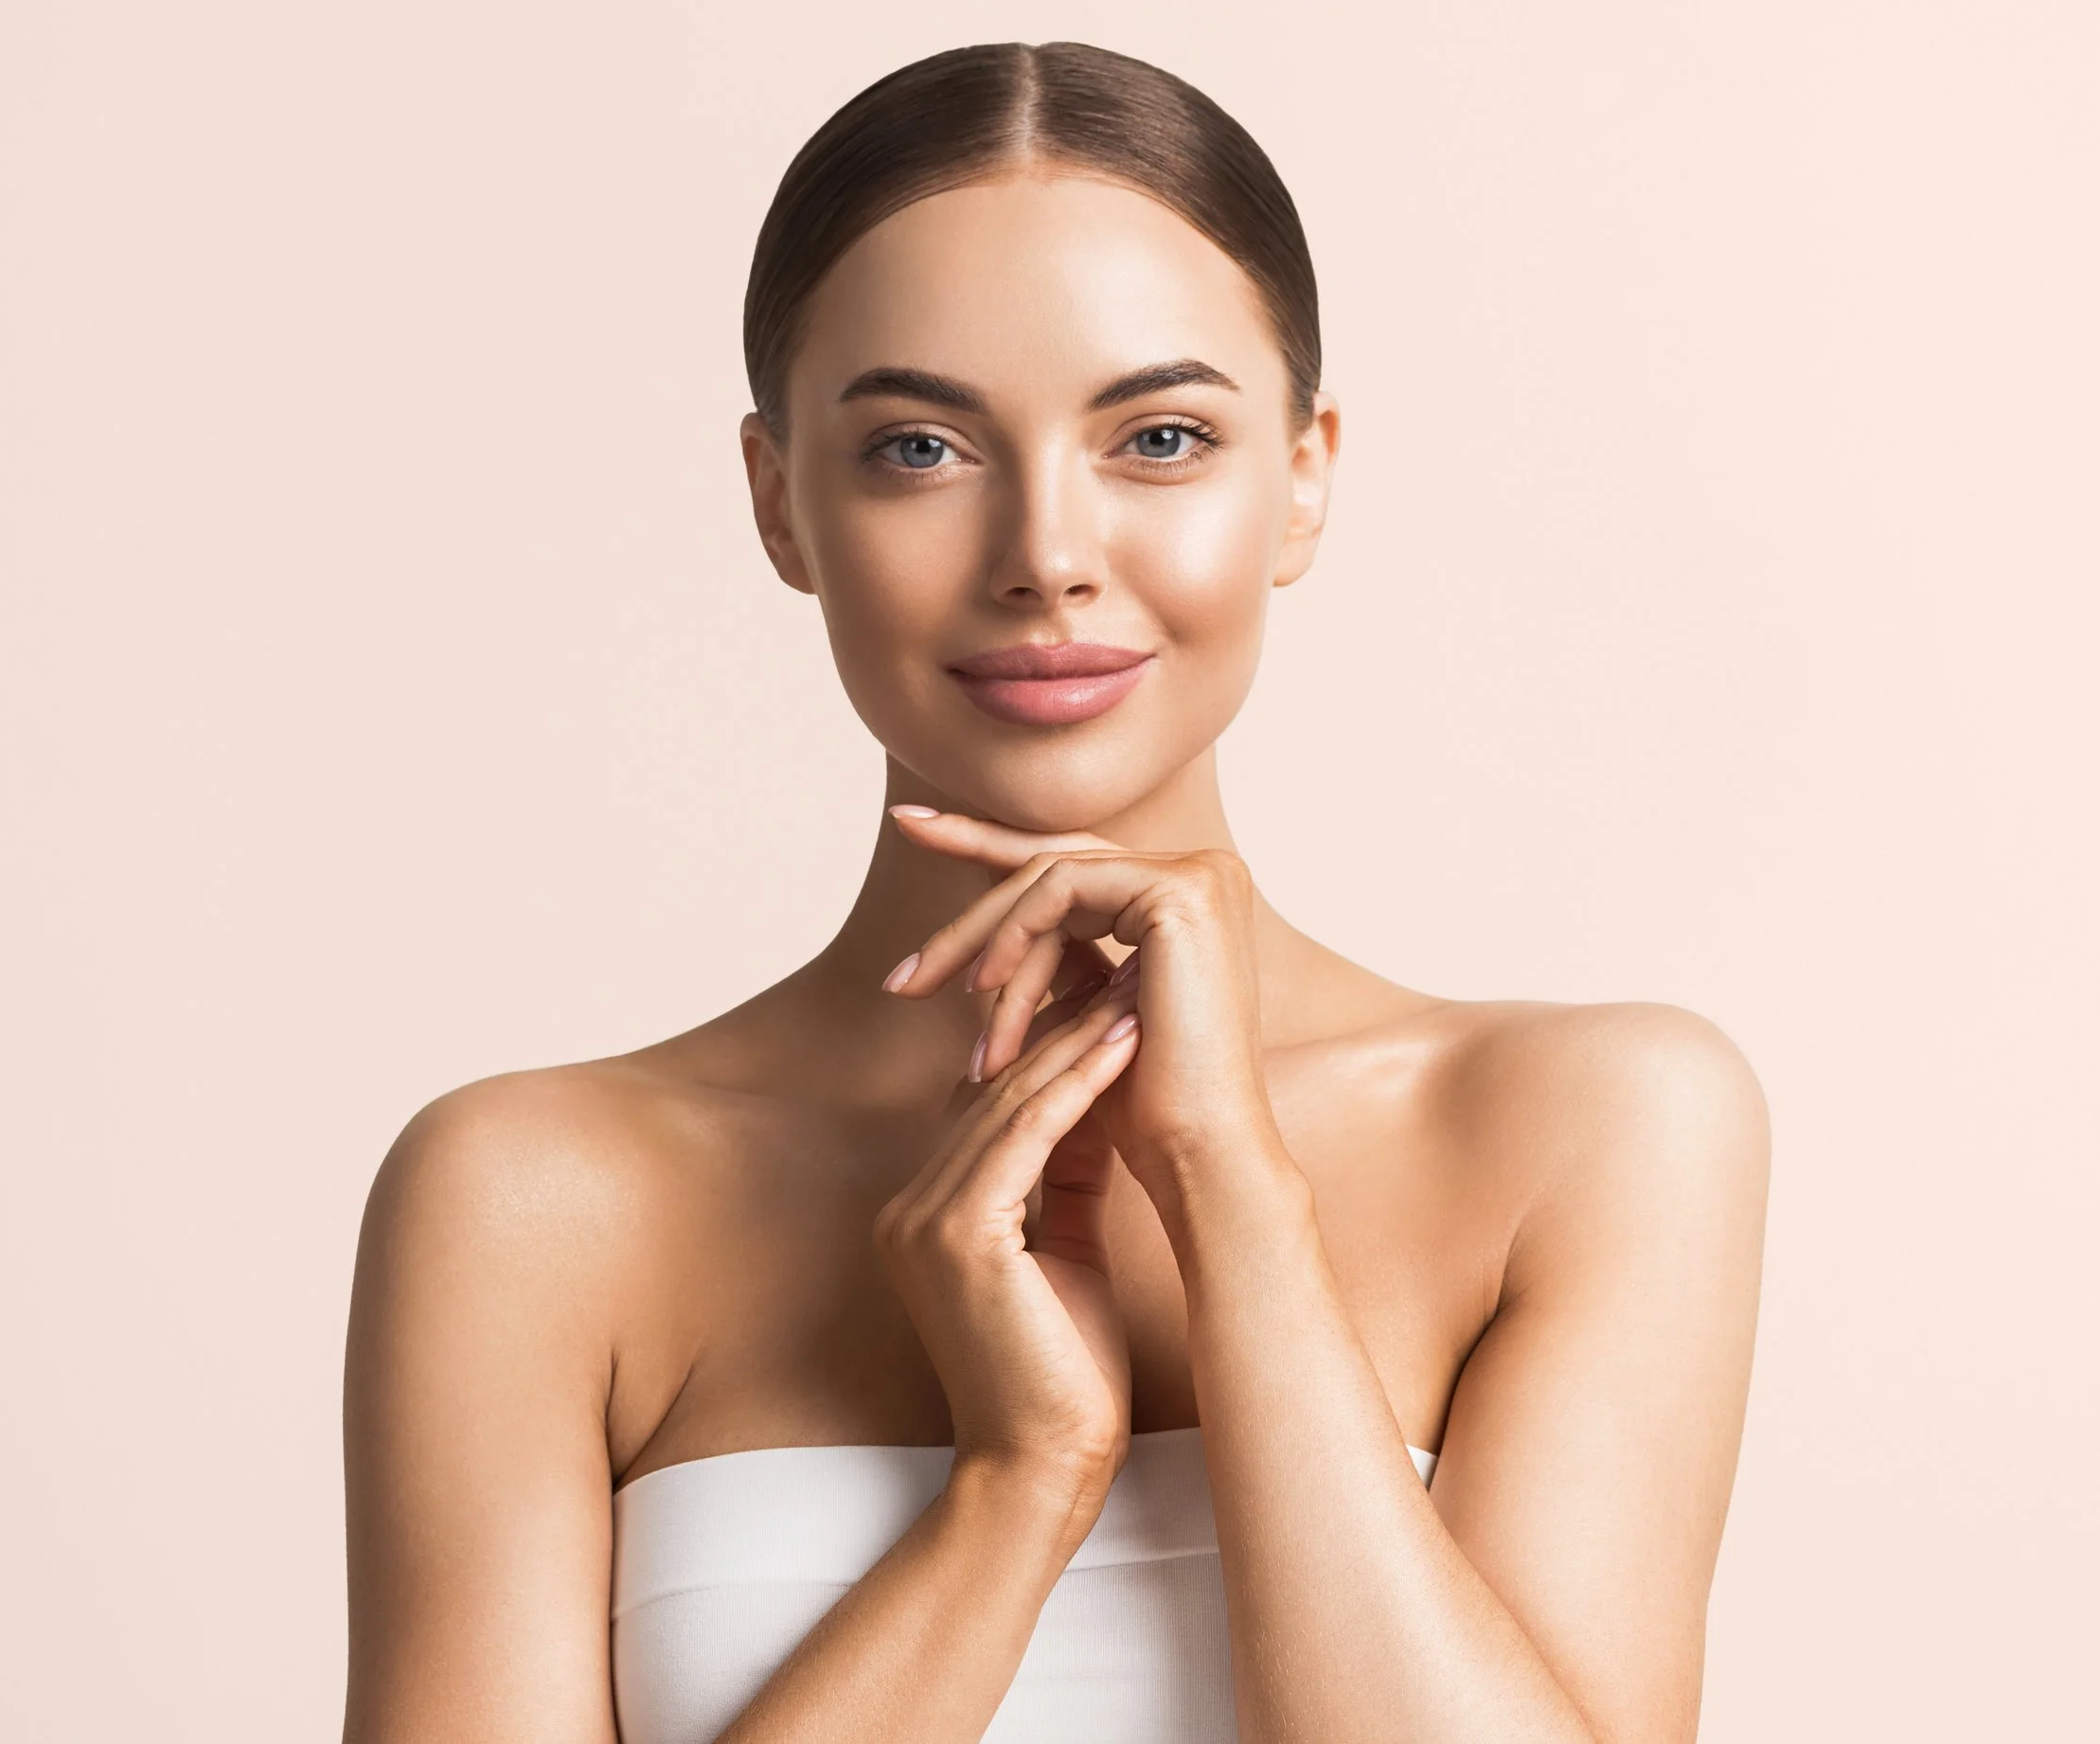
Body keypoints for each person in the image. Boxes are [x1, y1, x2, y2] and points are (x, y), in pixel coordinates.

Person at [341, 40, 1770, 1744]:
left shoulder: (1592, 1126)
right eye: (920, 449)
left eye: (1159, 437)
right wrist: (1017, 1485)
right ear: (779, 498)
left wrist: (1233, 1194)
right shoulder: (531, 1198)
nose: (1048, 552)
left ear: (1302, 474)